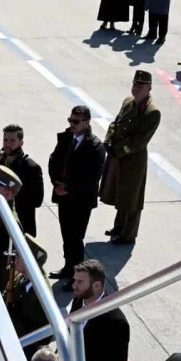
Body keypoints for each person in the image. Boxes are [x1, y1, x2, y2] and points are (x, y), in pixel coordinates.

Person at [48, 106, 106, 291]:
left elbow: (91, 178)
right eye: (70, 120)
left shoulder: (95, 146)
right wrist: (56, 182)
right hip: (63, 196)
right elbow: (54, 161)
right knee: (66, 235)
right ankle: (68, 268)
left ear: (87, 122)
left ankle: (77, 278)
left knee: (76, 238)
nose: (72, 124)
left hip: (80, 200)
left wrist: (69, 188)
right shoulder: (66, 138)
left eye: (76, 121)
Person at [100, 70, 160, 246]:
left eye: (141, 86)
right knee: (120, 193)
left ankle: (129, 234)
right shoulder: (128, 102)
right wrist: (108, 140)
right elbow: (115, 123)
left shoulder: (152, 112)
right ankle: (119, 226)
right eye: (135, 84)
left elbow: (139, 141)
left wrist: (118, 149)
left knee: (132, 199)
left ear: (149, 88)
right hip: (118, 156)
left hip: (133, 160)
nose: (136, 88)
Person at [68, 259, 130, 361]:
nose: (74, 285)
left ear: (97, 286)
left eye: (80, 281)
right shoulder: (79, 299)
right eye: (75, 280)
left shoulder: (116, 323)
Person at [0, 125, 44, 236]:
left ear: (21, 142)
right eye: (5, 140)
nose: (8, 144)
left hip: (21, 225)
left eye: (12, 141)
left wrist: (11, 193)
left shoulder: (31, 167)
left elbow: (37, 200)